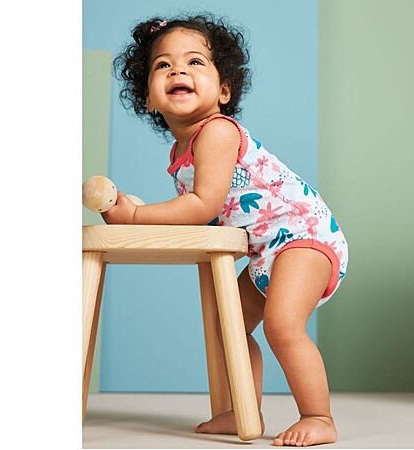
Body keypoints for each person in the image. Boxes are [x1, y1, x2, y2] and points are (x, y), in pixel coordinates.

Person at [106, 14, 349, 447]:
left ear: (224, 90)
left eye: (195, 62)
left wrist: (137, 216)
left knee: (282, 326)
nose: (178, 70)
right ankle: (243, 408)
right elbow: (204, 214)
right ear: (148, 97)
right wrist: (138, 212)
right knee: (227, 326)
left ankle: (318, 416)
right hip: (265, 253)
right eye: (163, 65)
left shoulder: (216, 132)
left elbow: (202, 206)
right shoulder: (181, 151)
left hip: (302, 236)